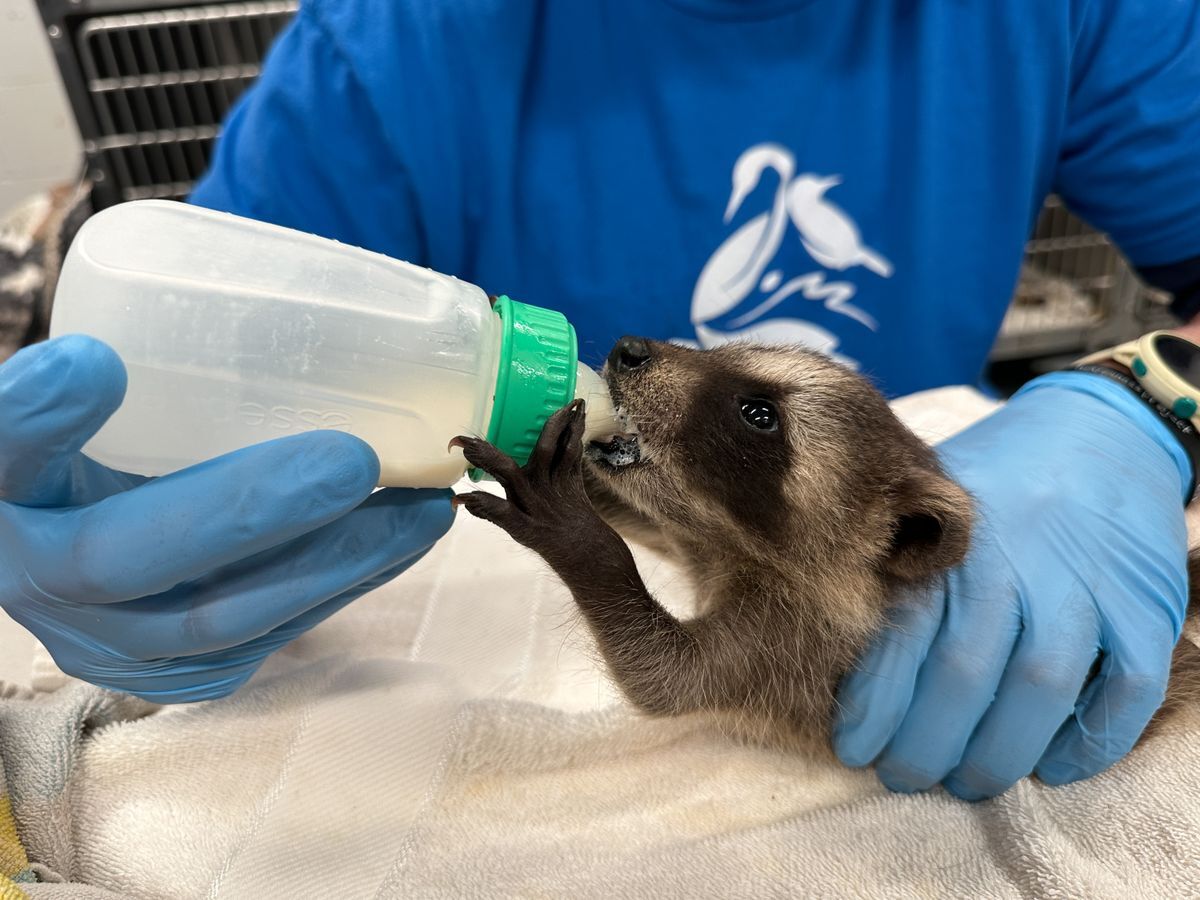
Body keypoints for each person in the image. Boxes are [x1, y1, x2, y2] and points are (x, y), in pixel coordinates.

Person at [2, 0, 1199, 801]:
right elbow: (205, 337)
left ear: (903, 539)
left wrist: (1149, 401)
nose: (654, 358)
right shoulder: (395, 42)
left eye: (755, 418)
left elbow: (671, 672)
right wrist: (116, 491)